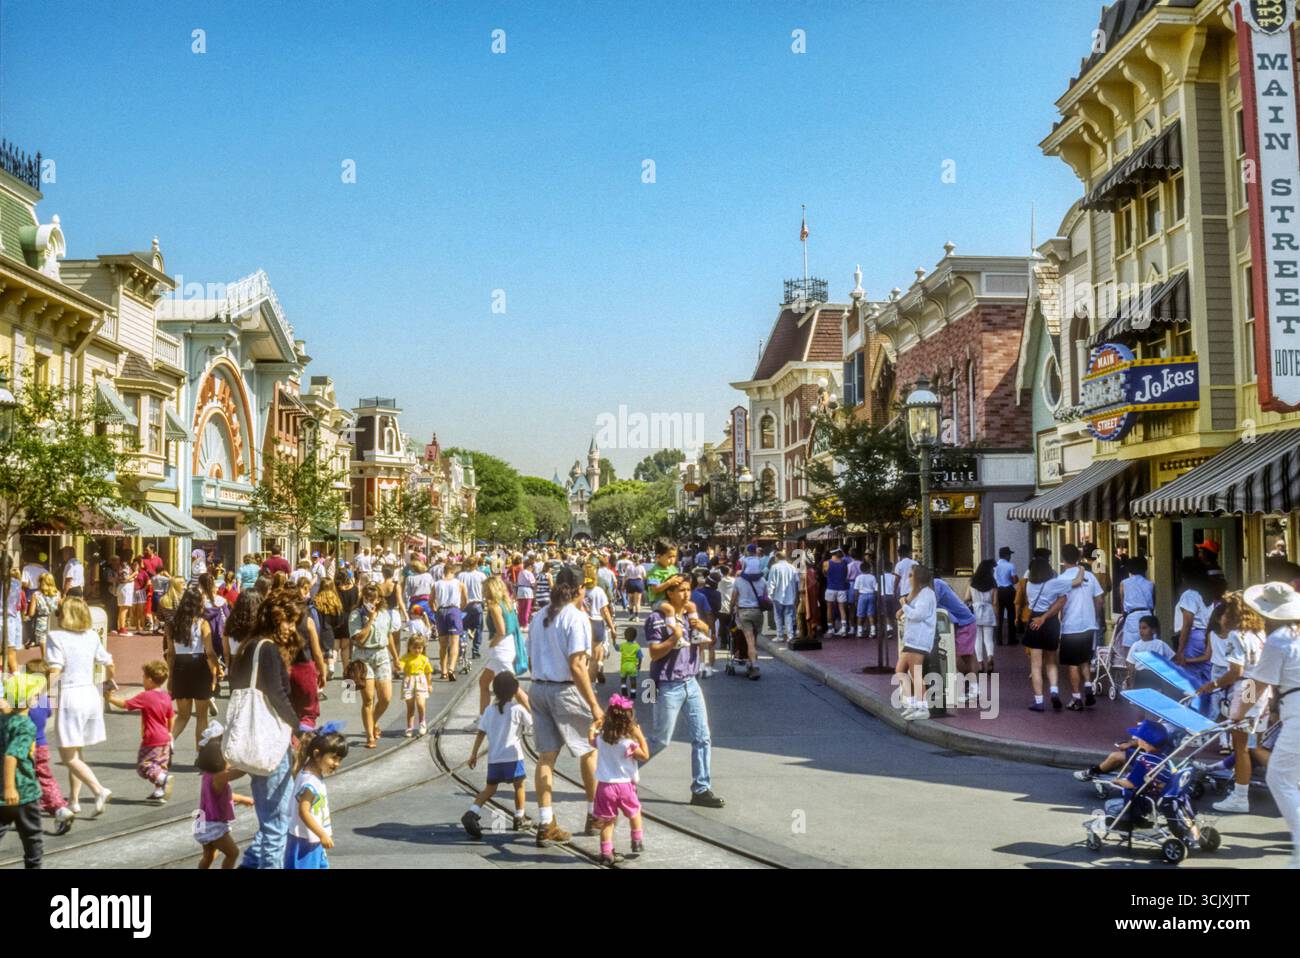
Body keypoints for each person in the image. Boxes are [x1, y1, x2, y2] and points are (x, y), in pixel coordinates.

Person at [527, 565, 604, 845]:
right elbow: (577, 666)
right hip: (565, 691)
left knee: (545, 758)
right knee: (588, 751)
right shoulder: (576, 618)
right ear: (581, 589)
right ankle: (594, 814)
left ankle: (546, 822)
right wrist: (594, 704)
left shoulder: (539, 617)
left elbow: (531, 659)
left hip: (538, 688)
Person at [230, 590, 305, 869]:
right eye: (288, 621)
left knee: (269, 813)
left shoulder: (248, 646)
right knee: (277, 822)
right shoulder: (268, 649)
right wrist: (299, 729)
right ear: (275, 619)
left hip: (255, 738)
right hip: (271, 740)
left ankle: (249, 865)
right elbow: (277, 694)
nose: (290, 629)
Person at [1233, 581, 1300, 867]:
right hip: (1291, 708)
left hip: (1297, 711)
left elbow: (1257, 684)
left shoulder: (1280, 639)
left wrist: (1238, 711)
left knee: (1279, 777)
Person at [645, 573, 724, 806]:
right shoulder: (657, 618)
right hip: (667, 684)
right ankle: (621, 774)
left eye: (688, 589)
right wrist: (674, 638)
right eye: (681, 590)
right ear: (669, 592)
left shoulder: (691, 616)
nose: (687, 594)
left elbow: (706, 642)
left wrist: (705, 631)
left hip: (691, 682)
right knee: (660, 740)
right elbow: (654, 652)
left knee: (702, 737)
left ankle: (701, 789)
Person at [1197, 595, 1268, 814]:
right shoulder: (1259, 634)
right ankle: (1288, 779)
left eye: (1225, 612)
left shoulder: (1237, 636)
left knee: (1241, 747)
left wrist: (1214, 684)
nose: (1222, 616)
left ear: (1234, 614)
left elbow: (1235, 672)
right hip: (1261, 689)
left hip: (1245, 690)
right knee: (1255, 746)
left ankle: (1240, 796)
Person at [44, 597, 114, 816]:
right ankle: (74, 800)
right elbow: (109, 662)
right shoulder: (92, 636)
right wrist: (109, 681)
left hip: (71, 696)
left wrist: (38, 693)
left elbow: (56, 670)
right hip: (91, 694)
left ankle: (98, 789)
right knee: (77, 750)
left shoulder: (55, 637)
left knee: (68, 757)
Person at [462, 671, 533, 839]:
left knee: (490, 789)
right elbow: (531, 725)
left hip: (494, 759)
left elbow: (481, 732)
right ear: (514, 690)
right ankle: (519, 817)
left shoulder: (488, 710)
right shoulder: (517, 709)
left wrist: (474, 754)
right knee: (519, 786)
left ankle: (472, 812)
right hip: (513, 757)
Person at [589, 693, 650, 864]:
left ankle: (606, 853)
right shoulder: (627, 744)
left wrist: (593, 726)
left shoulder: (601, 740)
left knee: (608, 822)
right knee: (634, 812)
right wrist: (639, 735)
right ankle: (637, 841)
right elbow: (645, 755)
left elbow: (590, 740)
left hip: (604, 787)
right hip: (624, 786)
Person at [106, 660, 175, 803]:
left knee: (145, 765)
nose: (142, 680)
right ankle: (159, 791)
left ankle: (163, 780)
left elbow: (126, 704)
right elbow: (171, 716)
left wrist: (110, 698)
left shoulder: (146, 696)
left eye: (143, 677)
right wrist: (169, 732)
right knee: (160, 765)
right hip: (165, 738)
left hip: (151, 738)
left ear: (150, 679)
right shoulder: (166, 696)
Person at [19, 661, 73, 833]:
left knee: (18, 777)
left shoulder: (23, 700)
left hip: (25, 746)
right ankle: (59, 807)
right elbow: (48, 713)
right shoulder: (44, 700)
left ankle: (21, 810)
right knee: (45, 778)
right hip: (42, 746)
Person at [285, 723, 347, 869]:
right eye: (334, 758)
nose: (337, 763)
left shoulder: (313, 775)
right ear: (317, 754)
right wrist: (322, 834)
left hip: (311, 840)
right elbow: (303, 811)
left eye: (340, 760)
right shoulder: (310, 783)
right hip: (305, 842)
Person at [0, 672, 47, 868]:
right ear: (28, 698)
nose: (38, 697)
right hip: (23, 791)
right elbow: (12, 755)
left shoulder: (4, 720)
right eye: (35, 695)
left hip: (1, 790)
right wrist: (11, 788)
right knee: (32, 837)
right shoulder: (26, 725)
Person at [164, 584, 219, 750]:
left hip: (180, 667)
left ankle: (166, 744)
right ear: (198, 604)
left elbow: (171, 653)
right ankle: (200, 753)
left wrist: (171, 677)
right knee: (202, 716)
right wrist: (216, 670)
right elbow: (209, 652)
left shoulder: (172, 624)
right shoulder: (202, 623)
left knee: (183, 715)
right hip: (199, 666)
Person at [194, 721, 255, 869]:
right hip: (212, 824)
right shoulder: (219, 777)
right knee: (232, 853)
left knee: (209, 855)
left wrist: (245, 799)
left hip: (201, 821)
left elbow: (224, 796)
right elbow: (240, 772)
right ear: (219, 761)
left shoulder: (208, 775)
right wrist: (250, 759)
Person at [348, 584, 399, 749]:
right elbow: (359, 639)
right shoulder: (356, 615)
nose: (369, 601)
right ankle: (370, 736)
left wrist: (396, 658)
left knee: (386, 698)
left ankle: (373, 721)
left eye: (372, 598)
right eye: (366, 598)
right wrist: (370, 619)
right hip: (363, 657)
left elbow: (389, 636)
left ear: (378, 600)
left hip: (382, 655)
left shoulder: (384, 614)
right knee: (368, 699)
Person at [1056, 544, 1104, 711]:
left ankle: (1076, 698)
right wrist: (1095, 616)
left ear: (1062, 559)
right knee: (1084, 659)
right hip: (1089, 625)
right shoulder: (1090, 576)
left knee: (1072, 663)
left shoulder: (1061, 579)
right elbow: (1100, 600)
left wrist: (1059, 620)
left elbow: (1059, 605)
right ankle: (1089, 687)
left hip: (1071, 626)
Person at [895, 565, 937, 720]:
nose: (909, 578)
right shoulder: (918, 594)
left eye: (911, 575)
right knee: (900, 670)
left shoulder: (927, 594)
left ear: (918, 578)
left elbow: (918, 615)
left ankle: (922, 707)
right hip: (912, 638)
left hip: (920, 638)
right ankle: (913, 703)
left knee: (916, 673)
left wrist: (904, 606)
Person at [728, 562, 768, 680]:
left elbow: (733, 598)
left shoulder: (739, 581)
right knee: (754, 639)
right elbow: (765, 597)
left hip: (744, 611)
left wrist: (731, 610)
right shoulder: (763, 581)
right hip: (758, 612)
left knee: (749, 641)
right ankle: (751, 663)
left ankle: (754, 665)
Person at [1115, 555, 1155, 668]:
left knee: (1131, 654)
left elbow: (1122, 605)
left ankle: (1132, 679)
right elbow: (1153, 604)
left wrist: (1124, 616)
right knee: (1148, 650)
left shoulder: (1124, 583)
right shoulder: (1150, 584)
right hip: (1147, 616)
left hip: (1132, 617)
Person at [434, 560, 468, 680]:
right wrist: (460, 609)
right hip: (454, 610)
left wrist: (436, 611)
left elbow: (430, 601)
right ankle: (451, 668)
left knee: (443, 644)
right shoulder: (459, 583)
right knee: (454, 643)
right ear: (453, 571)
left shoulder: (437, 584)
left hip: (441, 610)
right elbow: (465, 600)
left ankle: (443, 671)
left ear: (443, 572)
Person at [584, 567, 616, 684]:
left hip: (583, 623)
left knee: (583, 656)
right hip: (597, 623)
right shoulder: (599, 591)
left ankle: (582, 682)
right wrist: (612, 627)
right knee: (594, 659)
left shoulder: (580, 590)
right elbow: (605, 611)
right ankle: (591, 684)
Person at [399, 633, 435, 737]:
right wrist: (398, 667)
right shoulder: (405, 657)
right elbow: (401, 665)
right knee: (410, 707)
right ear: (409, 647)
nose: (417, 650)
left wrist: (429, 684)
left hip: (420, 681)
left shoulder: (424, 659)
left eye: (419, 648)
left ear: (423, 648)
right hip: (409, 681)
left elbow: (428, 672)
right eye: (414, 648)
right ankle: (410, 727)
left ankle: (422, 722)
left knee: (420, 704)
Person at [968, 559, 997, 674]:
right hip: (988, 611)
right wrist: (997, 616)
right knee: (989, 639)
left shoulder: (972, 581)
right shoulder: (993, 583)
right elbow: (995, 602)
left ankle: (980, 664)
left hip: (975, 611)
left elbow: (966, 597)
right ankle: (990, 657)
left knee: (977, 639)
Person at [766, 550, 799, 642]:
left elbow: (771, 582)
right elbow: (797, 581)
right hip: (790, 595)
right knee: (789, 615)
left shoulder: (774, 567)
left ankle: (780, 635)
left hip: (777, 595)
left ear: (777, 557)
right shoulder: (792, 567)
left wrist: (769, 594)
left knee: (778, 616)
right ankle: (790, 635)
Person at [458, 557, 487, 657]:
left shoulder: (461, 575)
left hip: (464, 604)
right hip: (477, 603)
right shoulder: (481, 575)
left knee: (464, 627)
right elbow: (485, 590)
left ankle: (462, 648)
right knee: (478, 627)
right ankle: (475, 649)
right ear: (476, 564)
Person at [25, 573, 59, 654]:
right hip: (54, 623)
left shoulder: (36, 595)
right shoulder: (57, 594)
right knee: (54, 648)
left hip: (41, 623)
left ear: (40, 582)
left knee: (43, 650)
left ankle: (45, 662)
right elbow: (59, 610)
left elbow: (31, 613)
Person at [993, 546, 1019, 646]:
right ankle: (1011, 639)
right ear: (1007, 555)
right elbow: (1014, 580)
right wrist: (1016, 579)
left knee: (998, 615)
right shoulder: (1010, 565)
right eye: (1010, 555)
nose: (1010, 557)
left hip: (998, 591)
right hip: (1008, 591)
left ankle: (998, 640)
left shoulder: (994, 566)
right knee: (1011, 614)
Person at [823, 547, 851, 636]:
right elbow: (846, 574)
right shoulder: (845, 563)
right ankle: (843, 629)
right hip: (842, 588)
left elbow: (824, 574)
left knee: (829, 609)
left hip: (830, 587)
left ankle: (830, 629)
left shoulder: (826, 563)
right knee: (842, 609)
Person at [618, 625, 643, 699]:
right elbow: (640, 656)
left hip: (624, 666)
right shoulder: (637, 646)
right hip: (633, 666)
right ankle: (633, 692)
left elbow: (616, 647)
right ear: (635, 637)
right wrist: (639, 665)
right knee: (633, 680)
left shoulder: (622, 645)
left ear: (625, 636)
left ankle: (624, 690)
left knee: (623, 679)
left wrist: (613, 640)